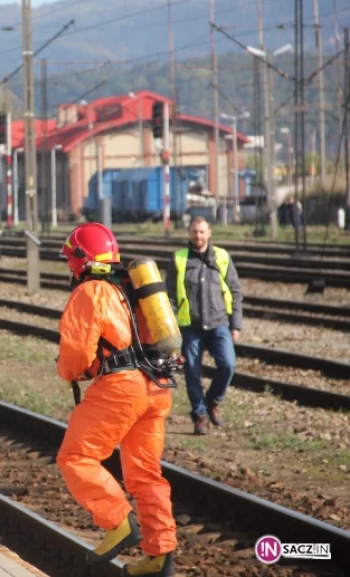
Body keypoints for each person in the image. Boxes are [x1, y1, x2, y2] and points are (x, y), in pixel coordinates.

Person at [56, 223, 177, 577]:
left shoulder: (91, 292)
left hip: (121, 390)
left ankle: (118, 522)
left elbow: (75, 358)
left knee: (76, 457)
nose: (69, 268)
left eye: (70, 260)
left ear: (81, 260)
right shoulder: (131, 286)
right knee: (146, 476)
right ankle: (159, 556)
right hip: (158, 386)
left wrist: (71, 372)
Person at [165, 216, 243, 436]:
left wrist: (235, 325)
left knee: (228, 365)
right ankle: (199, 415)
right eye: (194, 232)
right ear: (189, 233)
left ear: (209, 233)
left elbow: (235, 291)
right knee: (191, 372)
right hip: (189, 325)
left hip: (219, 323)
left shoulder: (222, 257)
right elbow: (169, 295)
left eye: (201, 232)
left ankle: (213, 402)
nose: (198, 236)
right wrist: (169, 327)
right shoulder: (179, 259)